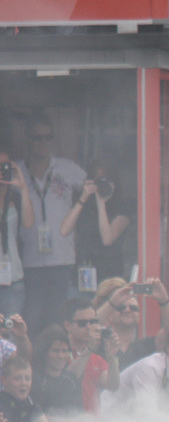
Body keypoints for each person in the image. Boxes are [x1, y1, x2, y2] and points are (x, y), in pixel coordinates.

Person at [18, 115, 87, 335]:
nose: (43, 142)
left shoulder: (67, 168)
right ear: (28, 140)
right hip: (29, 259)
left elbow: (94, 192)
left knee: (58, 319)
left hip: (62, 257)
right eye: (37, 138)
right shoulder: (17, 171)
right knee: (32, 319)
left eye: (47, 137)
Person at [58, 159, 132, 285]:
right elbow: (64, 231)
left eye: (105, 181)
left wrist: (101, 203)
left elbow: (107, 239)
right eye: (97, 182)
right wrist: (83, 197)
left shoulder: (122, 208)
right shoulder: (86, 206)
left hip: (109, 275)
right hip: (83, 273)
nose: (100, 186)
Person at [94, 277, 169, 367]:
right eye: (121, 307)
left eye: (134, 308)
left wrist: (164, 300)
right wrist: (113, 302)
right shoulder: (97, 344)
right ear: (109, 316)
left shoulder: (146, 346)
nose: (128, 310)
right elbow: (90, 326)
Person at [62, 297, 119, 416]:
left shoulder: (96, 359)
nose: (89, 327)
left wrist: (112, 356)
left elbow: (113, 386)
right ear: (68, 326)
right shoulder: (60, 353)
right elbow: (70, 379)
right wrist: (90, 348)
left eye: (93, 322)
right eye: (82, 323)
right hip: (66, 419)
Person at [0, 146, 34, 317]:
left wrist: (22, 187)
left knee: (11, 329)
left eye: (5, 166)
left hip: (13, 279)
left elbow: (28, 223)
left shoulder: (15, 198)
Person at [31, 324, 83, 422]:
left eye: (65, 351)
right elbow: (34, 416)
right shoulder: (34, 380)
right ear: (44, 352)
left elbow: (79, 414)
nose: (61, 356)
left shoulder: (71, 380)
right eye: (56, 351)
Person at [0, 356, 53, 422]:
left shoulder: (30, 403)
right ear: (4, 380)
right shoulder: (2, 403)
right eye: (17, 378)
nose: (23, 383)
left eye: (27, 378)